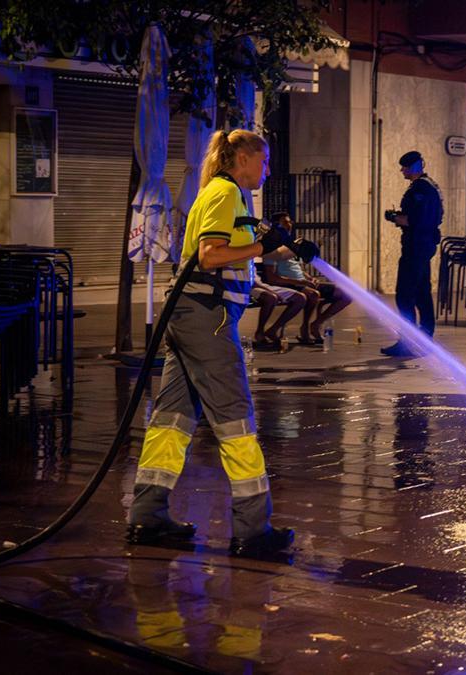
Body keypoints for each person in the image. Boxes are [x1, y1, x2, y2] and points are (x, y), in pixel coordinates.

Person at [126, 128, 316, 558]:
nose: (266, 170)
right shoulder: (224, 192)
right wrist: (259, 248)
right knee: (236, 420)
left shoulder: (227, 194)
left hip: (191, 315)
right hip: (206, 319)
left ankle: (147, 515)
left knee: (171, 422)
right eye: (264, 161)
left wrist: (287, 249)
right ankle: (252, 530)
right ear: (243, 158)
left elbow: (239, 247)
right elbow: (211, 255)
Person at [381, 151, 443, 357]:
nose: (402, 171)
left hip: (416, 245)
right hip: (423, 245)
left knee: (405, 295)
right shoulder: (430, 186)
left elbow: (413, 220)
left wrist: (393, 217)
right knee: (422, 292)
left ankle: (408, 341)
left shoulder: (420, 189)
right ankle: (425, 338)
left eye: (405, 167)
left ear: (415, 167)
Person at [260, 212, 352, 344]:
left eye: (290, 222)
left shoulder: (291, 246)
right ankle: (298, 329)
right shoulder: (271, 248)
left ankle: (316, 324)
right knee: (312, 294)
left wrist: (309, 278)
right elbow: (272, 278)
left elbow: (297, 268)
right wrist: (299, 282)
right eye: (285, 222)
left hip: (302, 282)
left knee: (346, 294)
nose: (289, 225)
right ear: (276, 225)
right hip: (289, 283)